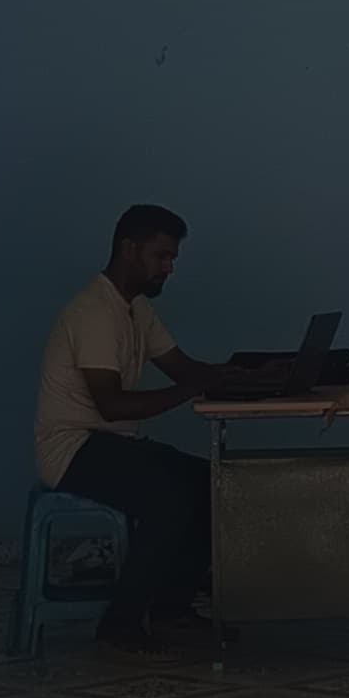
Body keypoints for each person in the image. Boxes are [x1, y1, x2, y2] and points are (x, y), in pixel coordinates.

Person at [35, 203, 240, 653]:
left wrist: (241, 374)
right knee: (171, 497)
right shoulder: (94, 312)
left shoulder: (136, 310)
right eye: (161, 256)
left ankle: (171, 609)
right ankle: (120, 624)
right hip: (72, 448)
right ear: (129, 249)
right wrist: (193, 387)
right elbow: (111, 405)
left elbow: (183, 369)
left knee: (211, 483)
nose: (168, 268)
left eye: (172, 259)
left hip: (111, 444)